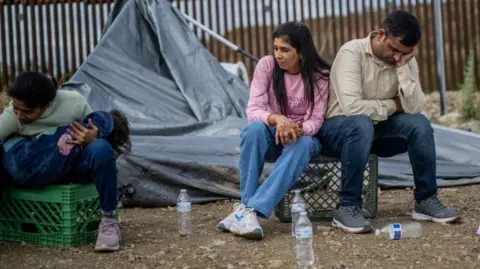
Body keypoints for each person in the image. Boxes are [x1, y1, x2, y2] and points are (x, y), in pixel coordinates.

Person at [318, 10, 460, 234]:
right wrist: (394, 105)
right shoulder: (351, 52)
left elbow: (414, 107)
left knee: (420, 125)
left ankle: (426, 200)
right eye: (394, 50)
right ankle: (347, 207)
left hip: (375, 132)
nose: (397, 56)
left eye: (403, 53)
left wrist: (404, 66)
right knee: (361, 123)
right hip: (338, 131)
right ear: (381, 35)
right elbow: (353, 108)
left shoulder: (403, 59)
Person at [217, 21, 330, 240]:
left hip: (301, 140)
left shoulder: (320, 75)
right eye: (276, 48)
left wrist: (297, 128)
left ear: (301, 52)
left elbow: (317, 119)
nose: (278, 54)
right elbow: (253, 109)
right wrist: (278, 119)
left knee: (305, 142)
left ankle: (251, 210)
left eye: (285, 50)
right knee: (254, 130)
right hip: (271, 135)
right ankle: (246, 205)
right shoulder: (266, 66)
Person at [0, 72, 131, 251]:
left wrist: (94, 136)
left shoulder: (73, 103)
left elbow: (92, 128)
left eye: (28, 112)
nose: (20, 115)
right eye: (16, 108)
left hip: (68, 165)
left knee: (101, 147)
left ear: (47, 105)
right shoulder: (13, 116)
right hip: (31, 167)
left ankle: (108, 221)